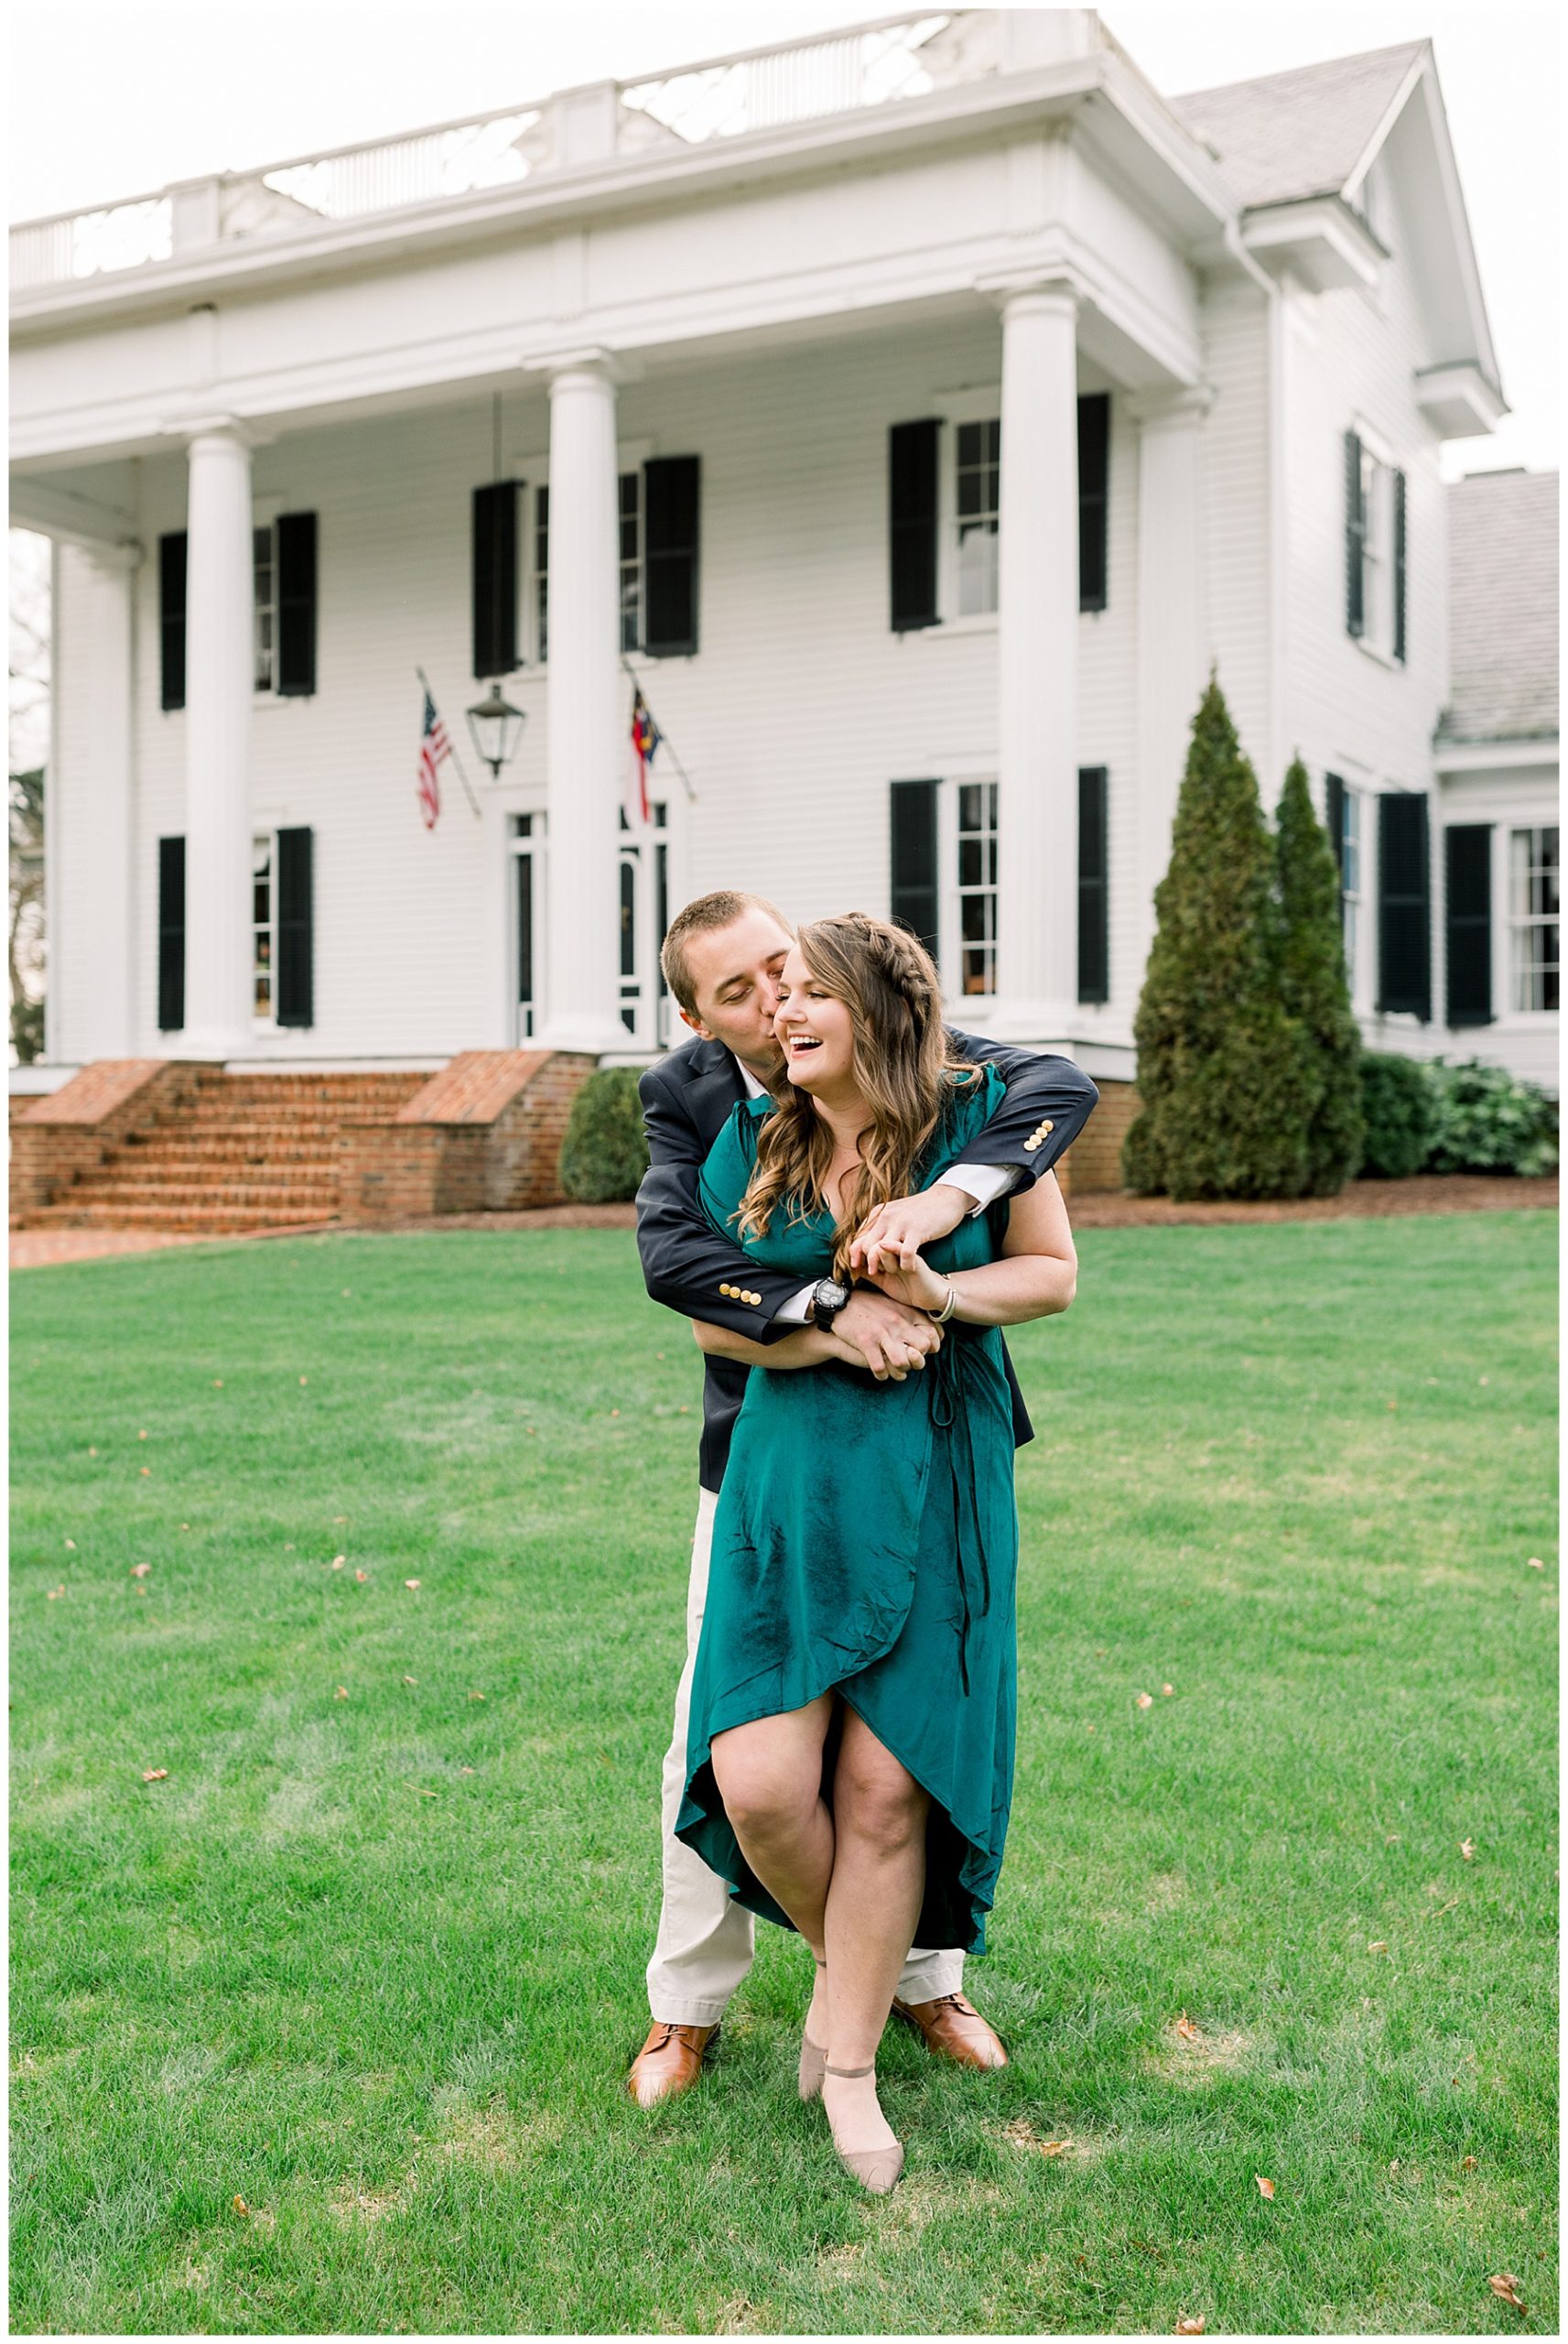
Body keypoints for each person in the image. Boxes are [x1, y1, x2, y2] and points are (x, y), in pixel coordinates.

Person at [631, 891, 1097, 2111]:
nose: (771, 995)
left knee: (898, 1750)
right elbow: (679, 1266)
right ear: (695, 1016)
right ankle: (687, 2011)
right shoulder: (695, 1105)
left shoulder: (919, 1060)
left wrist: (942, 1223)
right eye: (739, 990)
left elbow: (1052, 1090)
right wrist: (833, 1314)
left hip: (929, 1451)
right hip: (761, 1460)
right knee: (724, 1746)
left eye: (782, 967)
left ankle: (916, 1984)